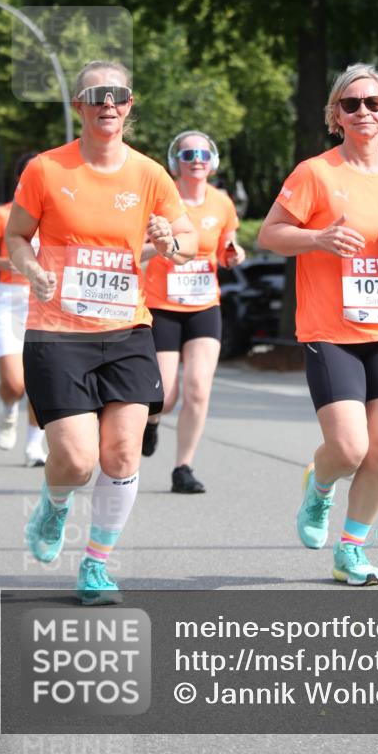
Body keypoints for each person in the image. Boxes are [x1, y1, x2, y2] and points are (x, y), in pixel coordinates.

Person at [6, 60, 197, 605]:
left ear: (129, 104)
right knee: (76, 460)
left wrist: (169, 241)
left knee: (122, 453)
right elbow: (17, 236)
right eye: (96, 95)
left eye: (118, 94)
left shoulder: (149, 175)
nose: (108, 103)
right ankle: (55, 505)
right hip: (57, 333)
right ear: (79, 106)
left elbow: (186, 241)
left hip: (126, 330)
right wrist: (32, 268)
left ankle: (95, 565)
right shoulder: (46, 169)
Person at [258, 63, 378, 587]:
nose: (363, 111)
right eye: (351, 104)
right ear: (336, 115)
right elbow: (270, 234)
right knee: (350, 449)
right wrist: (317, 239)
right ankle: (320, 487)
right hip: (331, 331)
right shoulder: (315, 174)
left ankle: (351, 551)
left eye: (373, 103)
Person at [142, 130, 245, 492]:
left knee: (199, 388)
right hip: (163, 306)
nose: (196, 160)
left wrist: (233, 253)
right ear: (176, 162)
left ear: (212, 161)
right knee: (165, 395)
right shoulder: (161, 198)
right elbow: (137, 248)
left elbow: (227, 247)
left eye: (202, 154)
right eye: (188, 155)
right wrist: (163, 245)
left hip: (204, 305)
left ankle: (183, 468)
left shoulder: (222, 203)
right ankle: (152, 422)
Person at [0, 152, 48, 465]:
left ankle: (35, 446)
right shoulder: (3, 214)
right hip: (10, 300)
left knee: (40, 379)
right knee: (14, 383)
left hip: (44, 301)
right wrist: (6, 263)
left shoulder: (55, 213)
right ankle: (9, 407)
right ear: (20, 179)